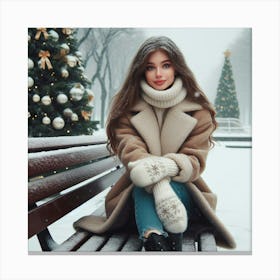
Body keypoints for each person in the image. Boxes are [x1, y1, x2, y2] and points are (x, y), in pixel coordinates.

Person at [74, 36, 236, 251]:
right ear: (141, 71)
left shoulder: (199, 110)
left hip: (186, 193)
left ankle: (154, 239)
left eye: (166, 65)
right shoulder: (127, 109)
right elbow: (132, 152)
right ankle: (155, 240)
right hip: (134, 197)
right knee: (143, 186)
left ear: (177, 68)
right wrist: (158, 185)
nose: (159, 74)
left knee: (148, 184)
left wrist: (162, 171)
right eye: (151, 67)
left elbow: (194, 160)